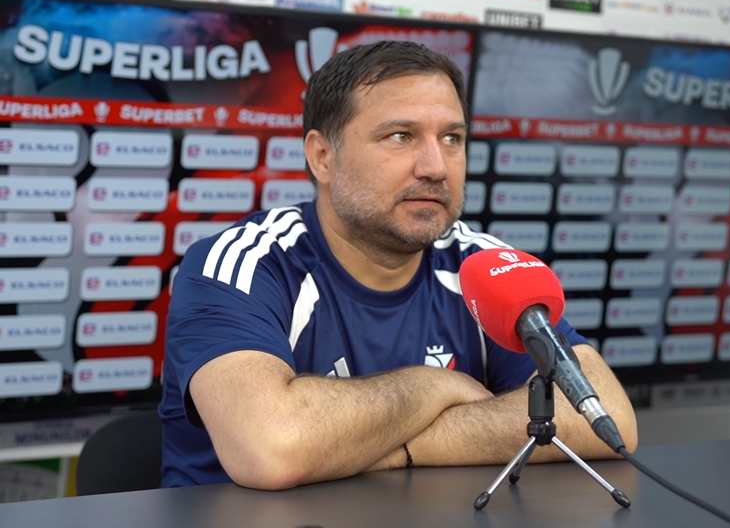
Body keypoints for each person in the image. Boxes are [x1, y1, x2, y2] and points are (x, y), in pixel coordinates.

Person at [159, 40, 637, 489]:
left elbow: (604, 415)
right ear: (322, 157)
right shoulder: (243, 262)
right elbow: (271, 447)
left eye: (452, 138)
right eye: (401, 136)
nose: (435, 166)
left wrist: (400, 447)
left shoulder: (483, 266)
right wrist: (434, 386)